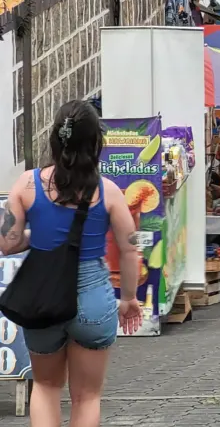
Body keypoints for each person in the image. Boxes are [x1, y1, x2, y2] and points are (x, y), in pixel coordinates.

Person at [0, 101, 142, 427]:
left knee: (47, 388)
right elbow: (130, 248)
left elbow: (6, 243)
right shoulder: (108, 192)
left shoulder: (25, 184)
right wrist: (129, 299)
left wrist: (38, 238)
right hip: (93, 298)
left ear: (54, 138)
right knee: (87, 396)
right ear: (95, 143)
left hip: (42, 297)